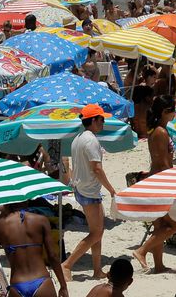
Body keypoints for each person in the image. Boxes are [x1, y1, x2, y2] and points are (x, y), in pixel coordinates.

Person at [62, 104, 118, 281]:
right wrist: (111, 189)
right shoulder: (91, 140)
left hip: (82, 188)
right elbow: (97, 169)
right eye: (101, 119)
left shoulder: (78, 138)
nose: (103, 122)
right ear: (93, 120)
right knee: (96, 233)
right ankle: (67, 264)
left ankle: (97, 270)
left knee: (98, 231)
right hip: (89, 191)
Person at [0, 202, 69, 297]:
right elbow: (53, 256)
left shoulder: (0, 225)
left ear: (6, 205)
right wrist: (63, 285)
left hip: (17, 285)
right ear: (26, 202)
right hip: (42, 281)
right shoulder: (41, 220)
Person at [132, 97, 176, 273]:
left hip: (156, 179)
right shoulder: (160, 132)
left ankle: (159, 265)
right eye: (172, 110)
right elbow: (162, 162)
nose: (175, 113)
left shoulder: (159, 130)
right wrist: (174, 180)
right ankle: (141, 250)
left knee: (160, 226)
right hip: (161, 181)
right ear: (164, 111)